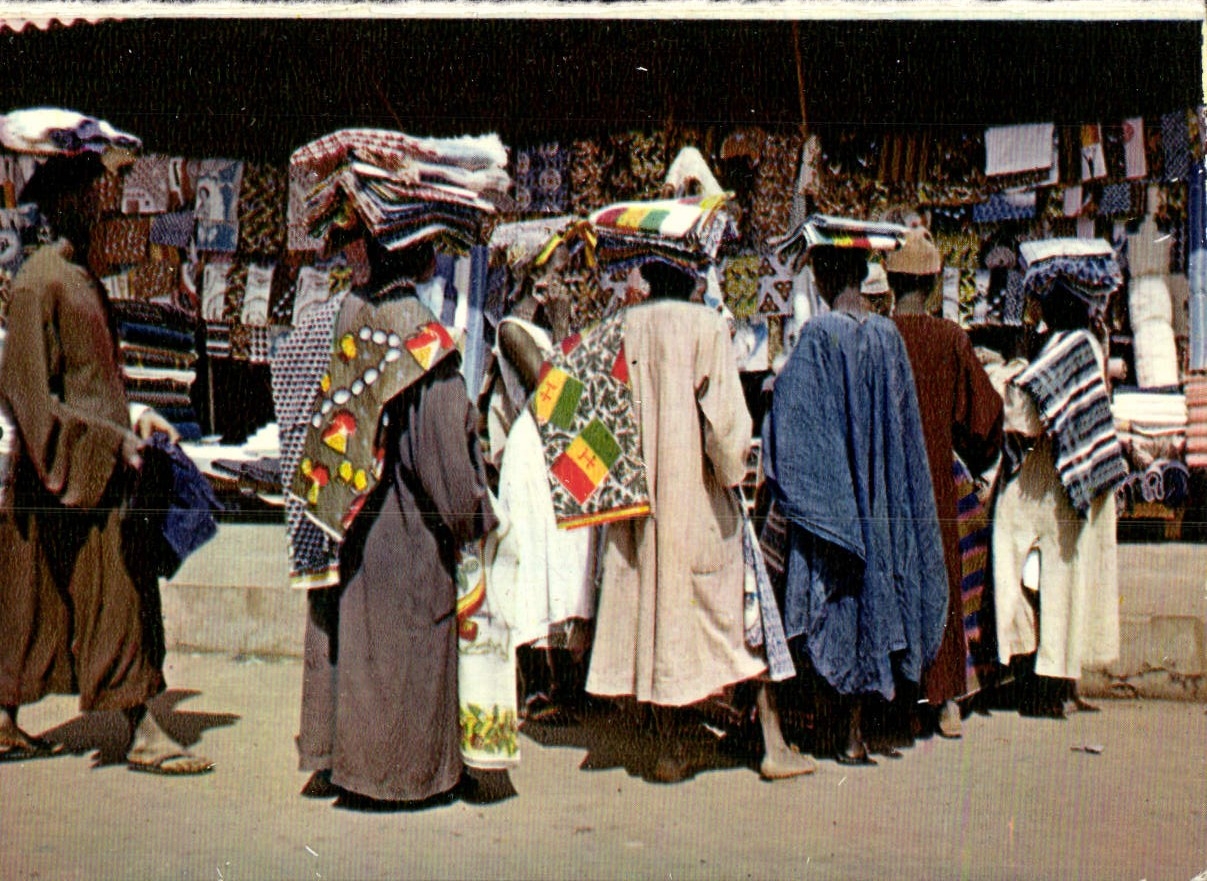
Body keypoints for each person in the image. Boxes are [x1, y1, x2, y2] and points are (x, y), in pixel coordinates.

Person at [0, 133, 212, 774]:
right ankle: (144, 730)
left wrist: (138, 415)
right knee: (105, 598)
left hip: (90, 468)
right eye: (91, 194)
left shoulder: (77, 275)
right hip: (68, 474)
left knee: (42, 601)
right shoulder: (40, 283)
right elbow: (31, 394)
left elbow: (92, 378)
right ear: (63, 205)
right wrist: (108, 441)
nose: (102, 204)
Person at [585, 257, 814, 782]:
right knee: (743, 616)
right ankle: (773, 745)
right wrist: (732, 472)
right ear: (692, 279)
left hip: (639, 503)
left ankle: (671, 748)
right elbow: (728, 429)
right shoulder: (706, 326)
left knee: (659, 615)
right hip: (697, 499)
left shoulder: (620, 328)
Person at [294, 235, 498, 806]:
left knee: (348, 641)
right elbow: (450, 474)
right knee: (401, 645)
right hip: (403, 535)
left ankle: (336, 759)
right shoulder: (421, 340)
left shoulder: (346, 314)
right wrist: (477, 513)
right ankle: (395, 775)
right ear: (422, 256)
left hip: (343, 522)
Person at [764, 239, 948, 765]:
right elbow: (902, 429)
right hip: (879, 497)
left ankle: (835, 729)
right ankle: (857, 731)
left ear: (825, 275)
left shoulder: (820, 334)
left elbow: (792, 422)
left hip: (838, 497)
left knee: (835, 595)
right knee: (870, 597)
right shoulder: (887, 334)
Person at [991, 242, 1126, 718]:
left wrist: (1015, 367)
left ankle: (1050, 683)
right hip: (1078, 480)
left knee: (1023, 553)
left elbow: (1024, 415)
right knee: (1069, 578)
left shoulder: (1068, 346)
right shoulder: (1087, 342)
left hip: (1057, 482)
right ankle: (1061, 685)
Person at [887, 227, 1004, 738]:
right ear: (935, 286)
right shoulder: (950, 338)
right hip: (934, 482)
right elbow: (983, 418)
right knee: (947, 584)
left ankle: (893, 701)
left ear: (890, 283)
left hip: (886, 487)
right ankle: (946, 701)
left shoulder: (877, 335)